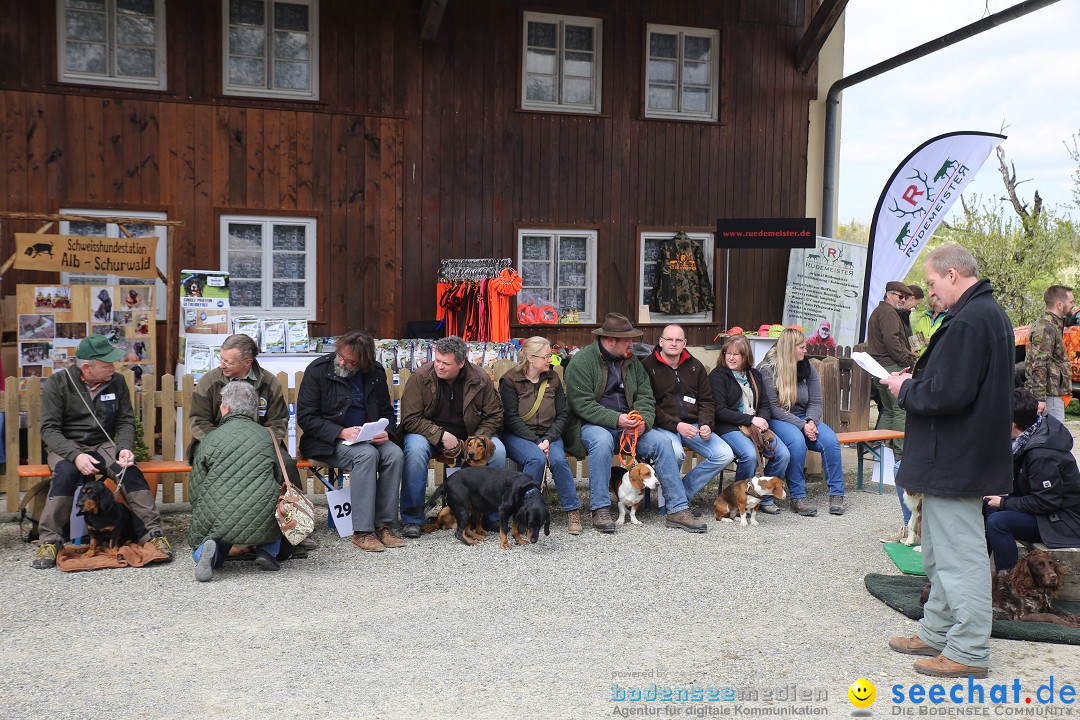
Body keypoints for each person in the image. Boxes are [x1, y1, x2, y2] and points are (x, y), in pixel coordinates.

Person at [882, 244, 1013, 679]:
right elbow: (956, 384)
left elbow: (948, 394)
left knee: (961, 557)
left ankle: (970, 650)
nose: (931, 293)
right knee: (939, 553)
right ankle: (937, 631)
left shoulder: (972, 320)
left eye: (934, 283)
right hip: (953, 457)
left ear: (953, 274)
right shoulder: (979, 316)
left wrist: (905, 390)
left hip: (957, 458)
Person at [31, 335, 172, 569]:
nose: (113, 368)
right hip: (67, 445)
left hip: (101, 444)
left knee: (129, 472)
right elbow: (49, 429)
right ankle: (50, 541)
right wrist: (75, 455)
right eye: (107, 364)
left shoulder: (116, 382)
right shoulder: (58, 383)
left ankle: (153, 533)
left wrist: (125, 448)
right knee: (65, 475)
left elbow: (126, 421)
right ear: (87, 367)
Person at [564, 313, 705, 533]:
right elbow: (580, 403)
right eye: (628, 340)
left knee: (661, 442)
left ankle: (677, 508)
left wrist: (643, 422)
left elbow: (646, 397)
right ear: (611, 341)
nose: (632, 343)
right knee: (601, 442)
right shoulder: (582, 362)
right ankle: (600, 508)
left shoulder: (631, 361)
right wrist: (615, 419)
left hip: (630, 425)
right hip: (593, 424)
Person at [297, 330, 404, 553]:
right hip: (326, 441)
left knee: (394, 454)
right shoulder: (318, 370)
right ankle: (362, 531)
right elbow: (306, 417)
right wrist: (340, 432)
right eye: (341, 357)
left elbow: (386, 411)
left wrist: (386, 432)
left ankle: (384, 525)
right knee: (367, 455)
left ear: (363, 363)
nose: (343, 362)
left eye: (350, 361)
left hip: (367, 437)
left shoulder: (374, 373)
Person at [398, 335, 505, 538]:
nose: (439, 366)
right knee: (415, 450)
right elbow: (410, 419)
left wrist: (474, 442)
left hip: (469, 437)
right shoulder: (420, 377)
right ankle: (412, 519)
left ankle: (491, 516)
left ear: (461, 362)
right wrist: (440, 436)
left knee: (498, 453)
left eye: (446, 363)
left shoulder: (480, 378)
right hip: (427, 434)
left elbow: (495, 415)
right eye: (437, 360)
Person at [189, 382, 289, 581]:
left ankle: (210, 553)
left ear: (225, 408)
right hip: (261, 512)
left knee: (215, 535)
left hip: (218, 511)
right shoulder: (268, 436)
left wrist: (202, 508)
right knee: (271, 517)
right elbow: (279, 478)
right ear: (253, 410)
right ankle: (266, 551)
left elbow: (196, 487)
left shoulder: (210, 439)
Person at [984, 388, 1080, 572]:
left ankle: (1009, 586)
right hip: (1049, 512)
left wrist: (1004, 502)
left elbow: (1047, 501)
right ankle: (979, 573)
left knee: (998, 522)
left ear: (1011, 424)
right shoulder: (1026, 438)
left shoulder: (1042, 454)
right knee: (989, 506)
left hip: (1065, 521)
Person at [641, 325, 734, 505]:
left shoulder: (695, 366)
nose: (673, 344)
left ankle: (680, 493)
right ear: (661, 342)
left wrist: (706, 423)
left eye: (678, 340)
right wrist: (676, 425)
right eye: (669, 339)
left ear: (685, 343)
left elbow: (707, 400)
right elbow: (648, 405)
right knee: (675, 453)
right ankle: (670, 504)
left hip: (694, 426)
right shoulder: (647, 366)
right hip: (664, 427)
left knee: (725, 454)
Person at [189, 333, 299, 485]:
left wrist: (257, 445)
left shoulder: (270, 383)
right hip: (215, 443)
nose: (222, 365)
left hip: (260, 444)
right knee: (203, 466)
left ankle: (291, 506)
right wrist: (222, 444)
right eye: (221, 359)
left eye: (228, 362)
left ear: (247, 363)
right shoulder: (208, 381)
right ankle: (205, 506)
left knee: (286, 464)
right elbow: (198, 421)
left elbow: (278, 422)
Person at [757, 328, 845, 517]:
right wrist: (802, 426)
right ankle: (798, 496)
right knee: (796, 442)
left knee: (830, 441)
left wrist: (811, 421)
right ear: (790, 349)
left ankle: (837, 495)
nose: (806, 350)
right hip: (780, 417)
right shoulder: (767, 369)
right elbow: (774, 408)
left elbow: (815, 401)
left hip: (805, 416)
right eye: (802, 347)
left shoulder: (807, 367)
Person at [499, 336, 582, 535]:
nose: (550, 360)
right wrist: (536, 441)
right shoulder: (510, 380)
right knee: (535, 459)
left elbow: (562, 414)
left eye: (550, 356)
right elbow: (510, 418)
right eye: (546, 356)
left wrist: (548, 438)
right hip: (518, 435)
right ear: (530, 358)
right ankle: (525, 511)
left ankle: (572, 510)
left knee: (559, 461)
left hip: (550, 435)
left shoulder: (553, 378)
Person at [709, 333, 790, 511]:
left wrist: (760, 420)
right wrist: (752, 419)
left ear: (745, 356)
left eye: (736, 354)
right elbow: (720, 411)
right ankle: (741, 500)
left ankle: (765, 496)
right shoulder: (718, 376)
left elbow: (766, 405)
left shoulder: (754, 374)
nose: (730, 357)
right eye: (727, 353)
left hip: (754, 425)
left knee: (783, 454)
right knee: (749, 455)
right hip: (728, 426)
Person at [867, 280, 916, 456]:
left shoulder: (879, 311)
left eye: (905, 298)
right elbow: (891, 340)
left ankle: (876, 452)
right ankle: (901, 456)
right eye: (900, 296)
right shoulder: (888, 313)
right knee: (900, 410)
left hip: (879, 368)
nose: (903, 300)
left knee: (888, 410)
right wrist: (906, 359)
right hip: (891, 367)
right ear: (888, 294)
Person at [1024, 285, 1075, 423]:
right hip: (1048, 396)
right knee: (1054, 440)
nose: (1073, 305)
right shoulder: (1045, 329)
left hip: (1053, 394)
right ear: (1059, 304)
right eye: (1071, 302)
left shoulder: (1054, 326)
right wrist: (1040, 399)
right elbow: (1038, 364)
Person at [911, 294, 945, 358]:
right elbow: (915, 344)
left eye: (944, 301)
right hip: (922, 362)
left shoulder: (949, 319)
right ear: (933, 302)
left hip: (938, 360)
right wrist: (916, 354)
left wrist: (933, 343)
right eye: (940, 301)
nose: (943, 305)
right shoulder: (923, 320)